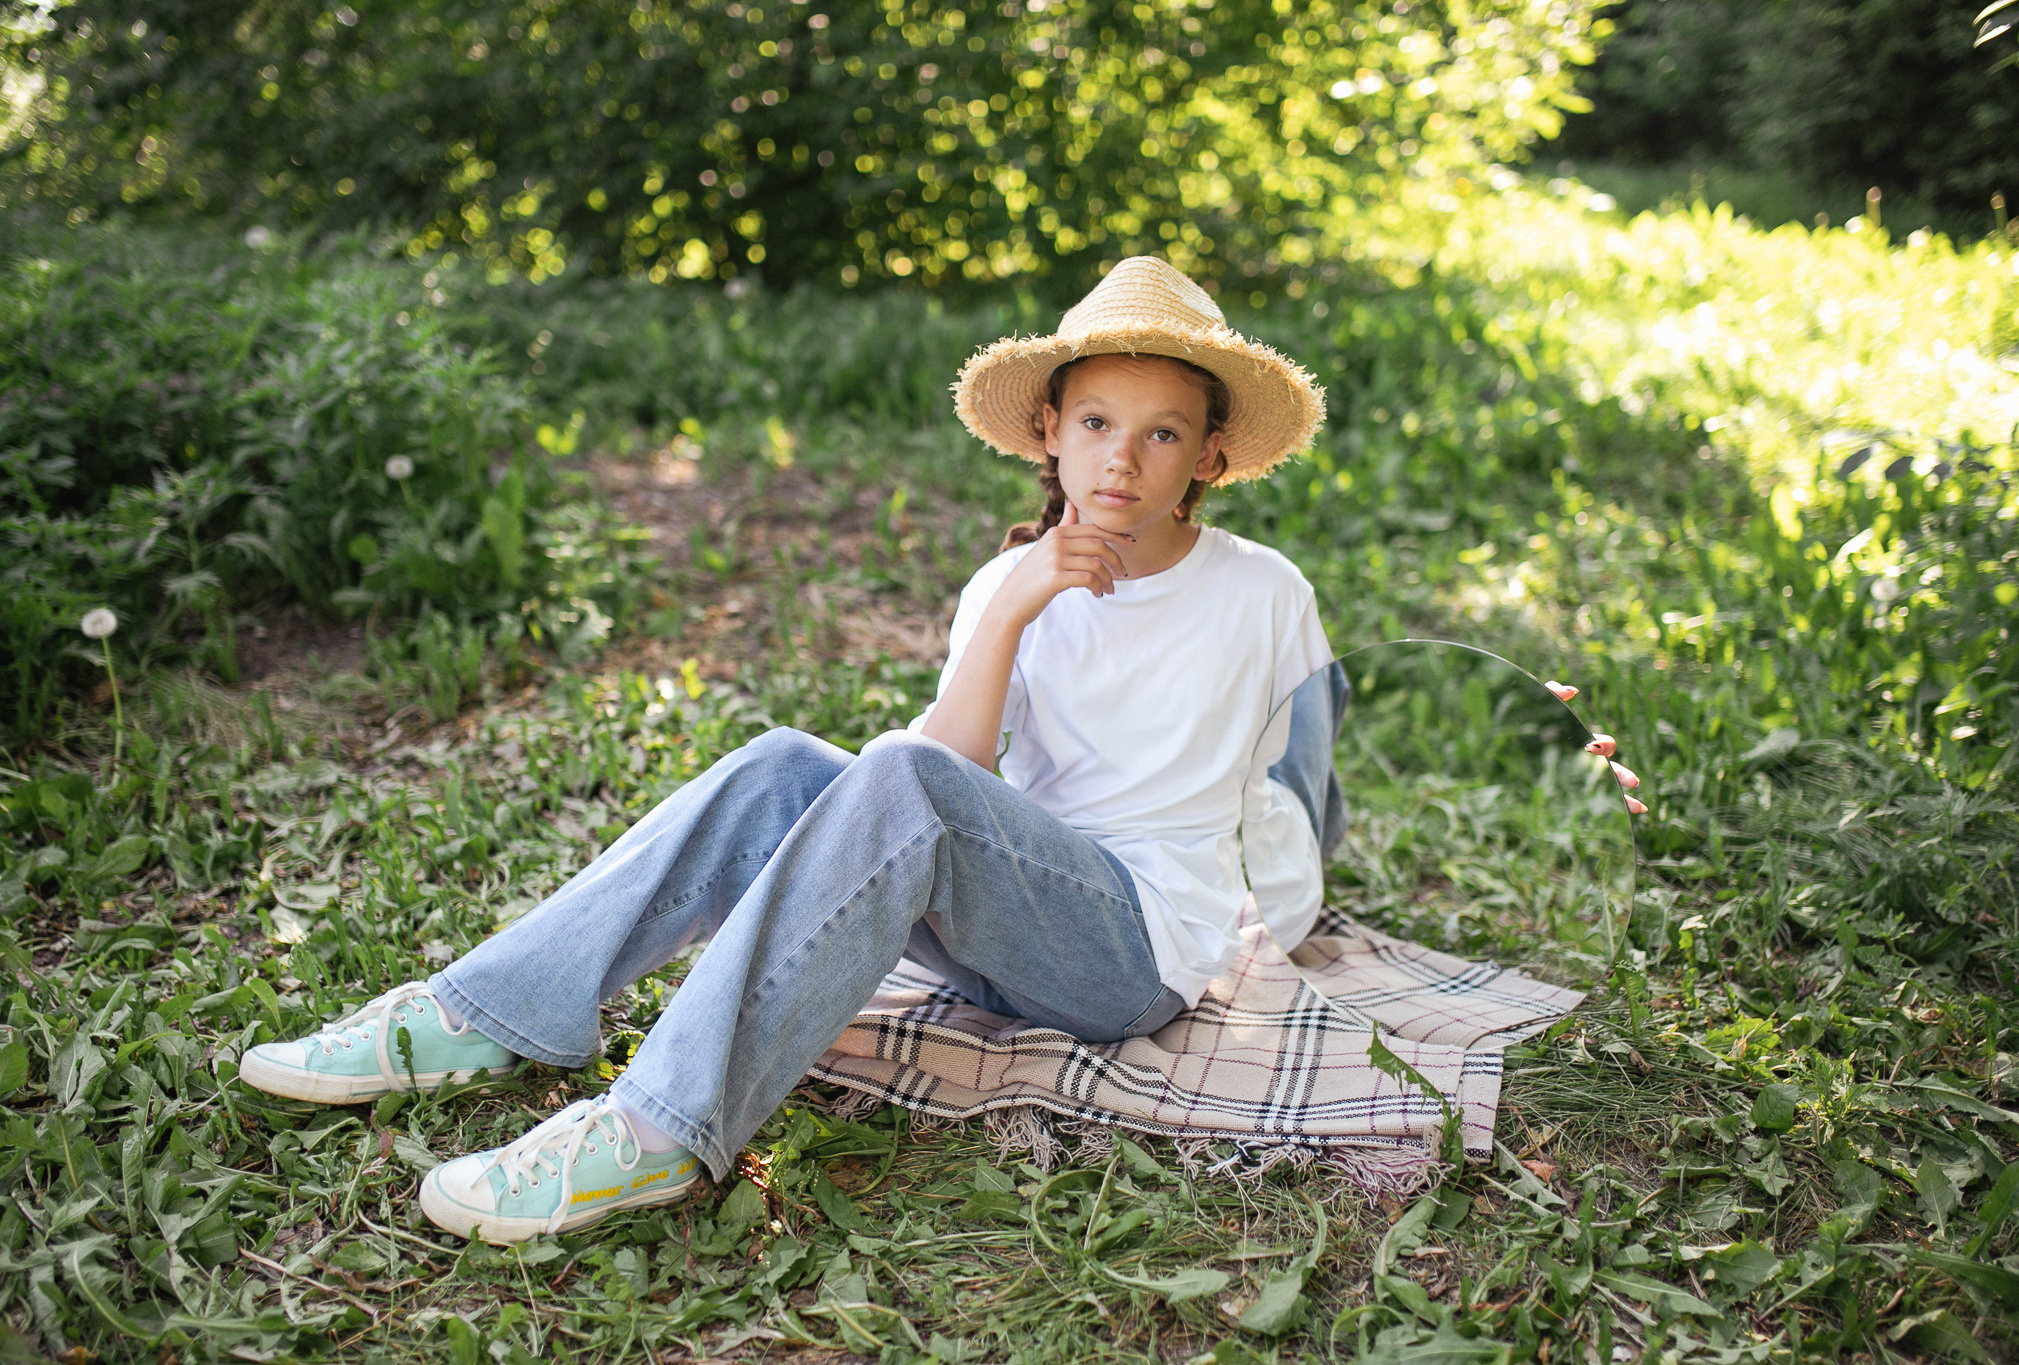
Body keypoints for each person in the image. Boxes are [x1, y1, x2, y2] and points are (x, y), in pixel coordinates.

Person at [238, 256, 1335, 1245]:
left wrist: (1269, 941)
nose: (1122, 461)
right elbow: (951, 772)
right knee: (777, 767)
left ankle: (659, 1128)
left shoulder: (1260, 592)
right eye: (1097, 423)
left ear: (1210, 453)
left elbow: (1303, 788)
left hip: (1133, 957)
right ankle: (484, 1015)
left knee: (898, 778)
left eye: (1160, 433)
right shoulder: (1008, 585)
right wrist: (1014, 607)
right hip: (1005, 934)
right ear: (1049, 428)